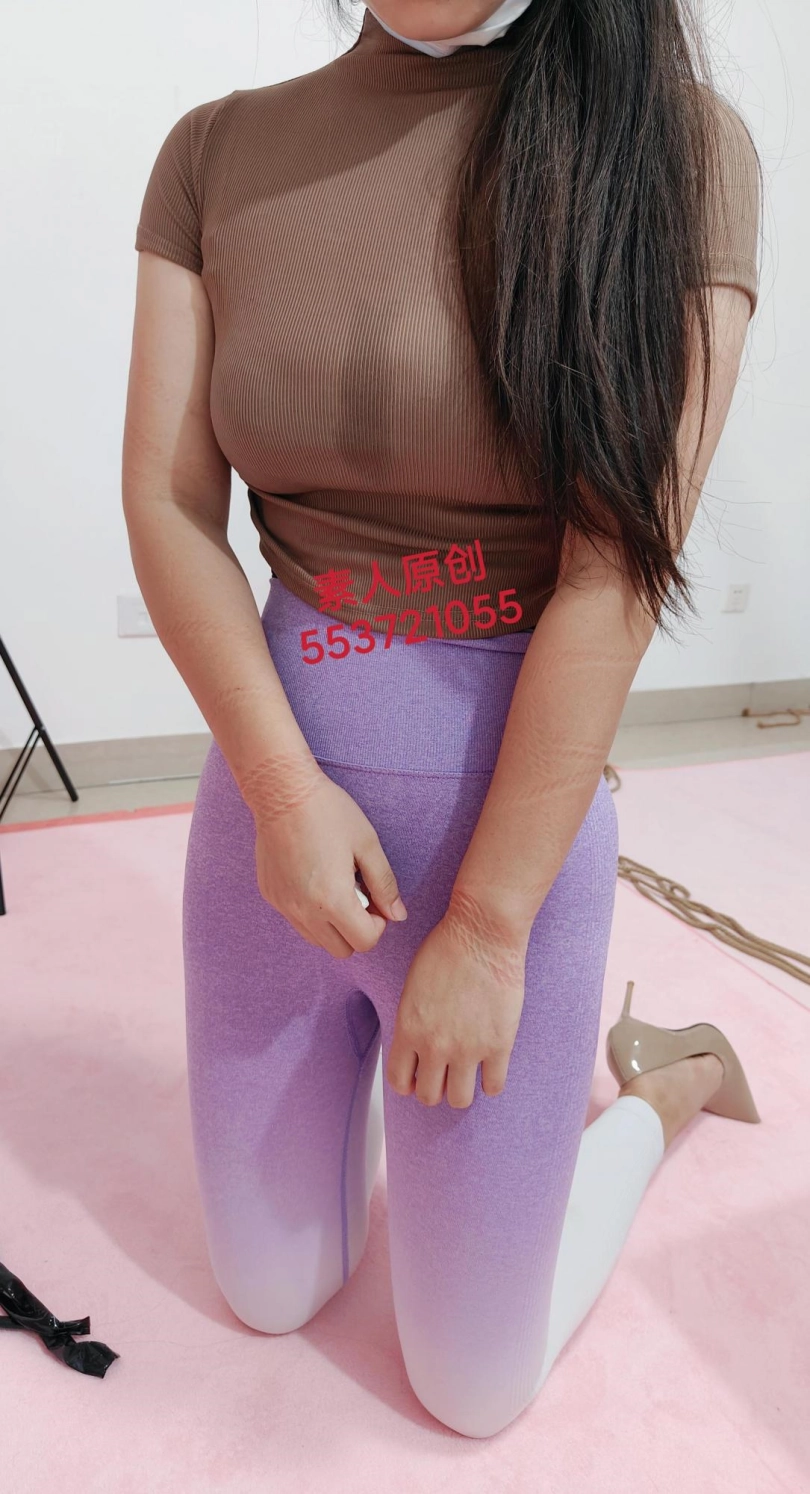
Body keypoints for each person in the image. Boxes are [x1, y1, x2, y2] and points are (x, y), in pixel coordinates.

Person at [124, 0, 763, 1439]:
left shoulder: (676, 149)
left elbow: (612, 570)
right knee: (269, 1290)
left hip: (501, 875)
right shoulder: (216, 152)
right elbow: (167, 501)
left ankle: (664, 1082)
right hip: (274, 849)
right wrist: (284, 798)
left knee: (474, 1387)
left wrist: (483, 928)